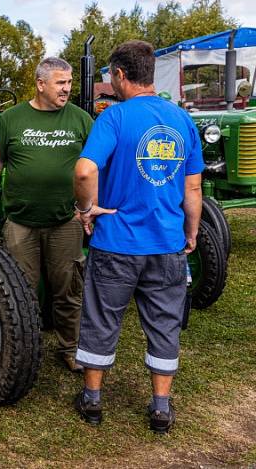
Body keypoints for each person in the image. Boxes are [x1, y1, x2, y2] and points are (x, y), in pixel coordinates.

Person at [72, 40, 203, 433]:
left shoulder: (113, 119)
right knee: (164, 323)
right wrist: (190, 232)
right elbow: (193, 189)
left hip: (116, 244)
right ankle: (161, 407)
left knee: (101, 318)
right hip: (166, 244)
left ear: (120, 75)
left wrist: (86, 209)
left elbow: (83, 171)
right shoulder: (182, 120)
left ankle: (92, 401)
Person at [0, 57, 93, 373]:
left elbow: (93, 168)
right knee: (20, 295)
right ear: (41, 84)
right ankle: (24, 351)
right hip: (20, 225)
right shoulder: (11, 119)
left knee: (68, 291)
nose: (67, 89)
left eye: (69, 83)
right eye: (60, 83)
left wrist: (91, 208)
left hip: (66, 221)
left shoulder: (81, 120)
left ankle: (70, 349)